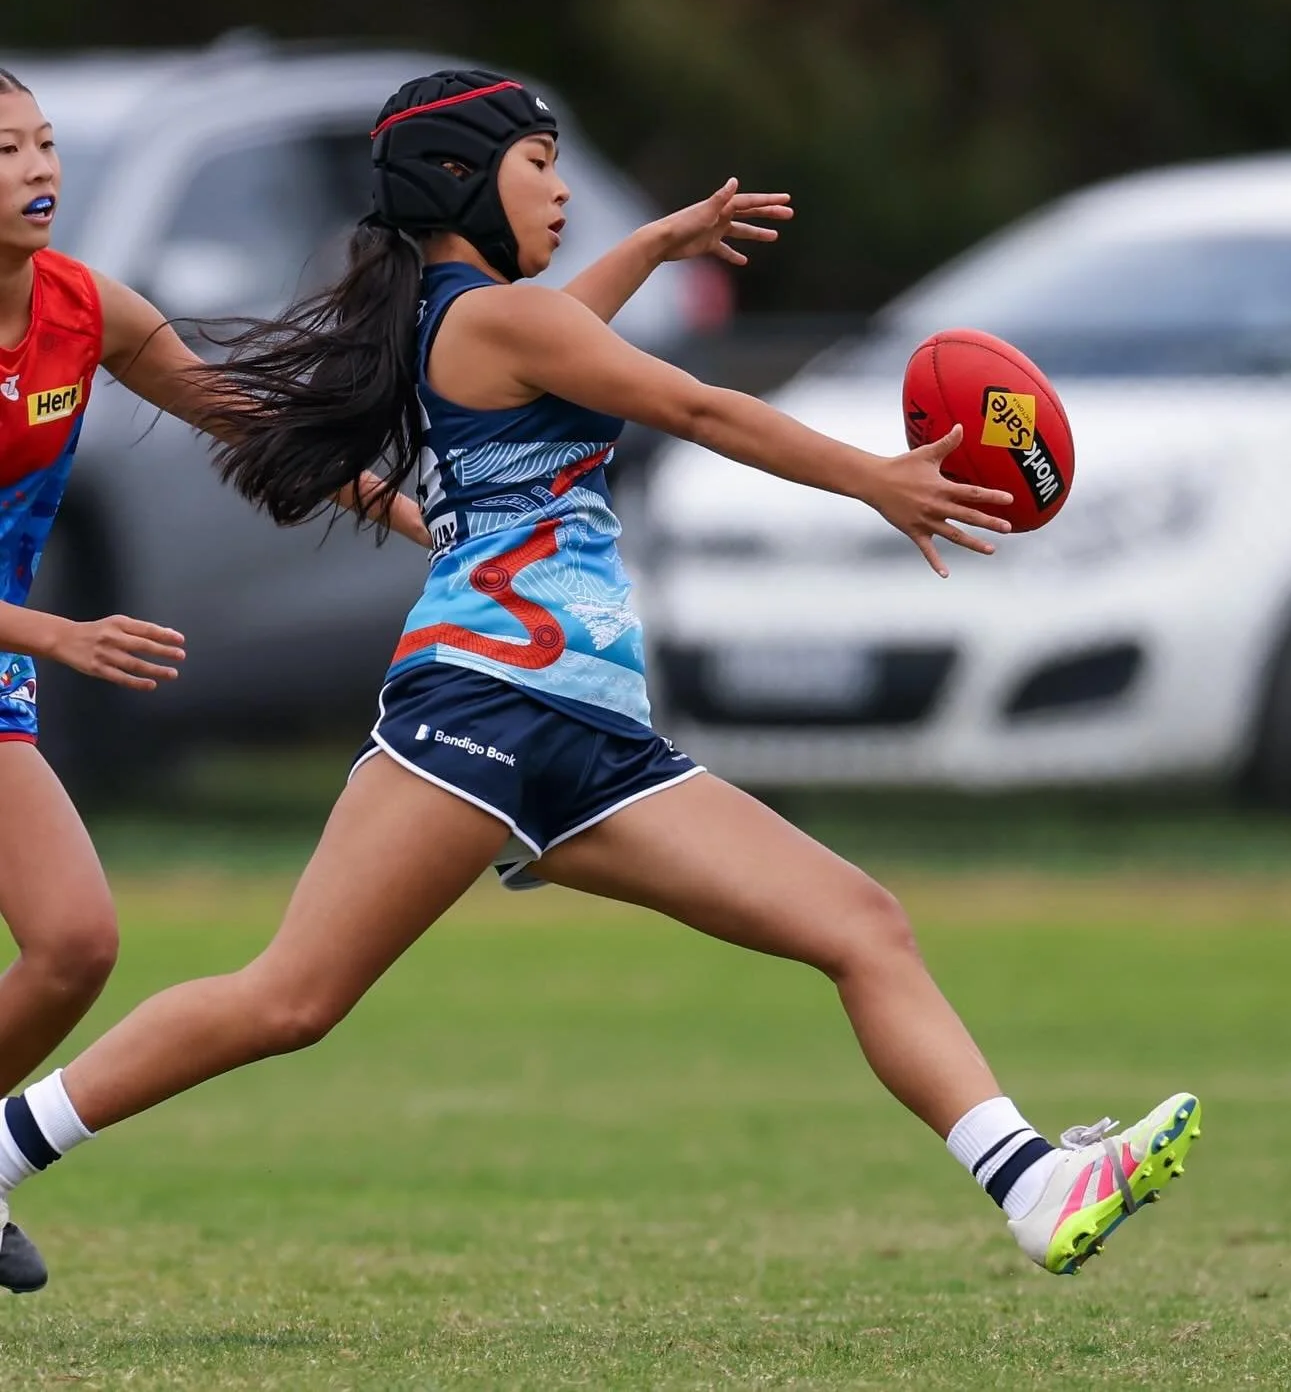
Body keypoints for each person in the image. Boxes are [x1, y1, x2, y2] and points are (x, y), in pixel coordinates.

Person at [0, 69, 1201, 1292]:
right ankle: (3, 1148)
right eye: (539, 166)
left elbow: (572, 332)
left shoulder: (486, 320)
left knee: (858, 925)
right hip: (481, 705)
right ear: (463, 182)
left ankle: (1034, 1183)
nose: (564, 190)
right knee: (288, 1001)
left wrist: (655, 243)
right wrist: (872, 477)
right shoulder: (497, 323)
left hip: (591, 735)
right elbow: (697, 405)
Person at [0, 67, 429, 1292]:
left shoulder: (87, 309)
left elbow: (241, 415)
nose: (38, 169)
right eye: (5, 150)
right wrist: (56, 637)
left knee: (76, 944)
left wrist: (415, 519)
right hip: (20, 648)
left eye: (45, 144)